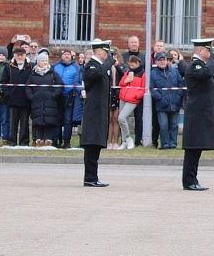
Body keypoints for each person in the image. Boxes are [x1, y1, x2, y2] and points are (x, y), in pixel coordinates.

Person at [182, 38, 214, 190]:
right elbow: (207, 73)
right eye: (209, 51)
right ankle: (189, 181)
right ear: (200, 51)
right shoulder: (195, 65)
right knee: (193, 147)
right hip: (196, 112)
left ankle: (192, 179)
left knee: (196, 148)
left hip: (201, 112)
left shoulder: (201, 65)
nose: (212, 54)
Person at [81, 40, 117, 186]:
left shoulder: (101, 67)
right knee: (92, 144)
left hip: (100, 110)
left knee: (96, 145)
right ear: (99, 51)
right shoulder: (91, 65)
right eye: (106, 52)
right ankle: (90, 177)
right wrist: (109, 62)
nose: (108, 56)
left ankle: (93, 177)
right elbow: (97, 74)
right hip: (93, 111)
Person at [26, 52, 63, 147]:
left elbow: (60, 85)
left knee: (49, 121)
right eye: (42, 60)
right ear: (38, 62)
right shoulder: (33, 75)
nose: (45, 62)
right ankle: (38, 140)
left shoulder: (53, 74)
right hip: (37, 102)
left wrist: (54, 95)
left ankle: (48, 140)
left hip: (50, 102)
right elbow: (27, 87)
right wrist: (32, 97)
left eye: (46, 60)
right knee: (38, 122)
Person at [150, 52, 184, 149]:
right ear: (156, 61)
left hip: (174, 102)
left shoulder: (174, 71)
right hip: (161, 104)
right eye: (160, 60)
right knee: (163, 125)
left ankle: (173, 143)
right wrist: (159, 98)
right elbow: (152, 88)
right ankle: (165, 144)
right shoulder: (153, 73)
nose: (162, 62)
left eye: (164, 60)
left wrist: (178, 96)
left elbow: (181, 85)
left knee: (174, 125)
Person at [2, 46, 34, 146]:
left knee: (25, 123)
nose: (20, 57)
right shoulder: (8, 66)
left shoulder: (31, 66)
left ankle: (24, 142)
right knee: (12, 122)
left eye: (22, 55)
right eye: (17, 55)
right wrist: (8, 93)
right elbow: (3, 82)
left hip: (26, 99)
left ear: (25, 55)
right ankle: (12, 141)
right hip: (12, 99)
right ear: (14, 56)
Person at [53, 48, 82, 148]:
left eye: (68, 54)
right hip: (57, 96)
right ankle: (56, 140)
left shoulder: (76, 67)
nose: (66, 56)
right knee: (57, 119)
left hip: (69, 96)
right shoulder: (55, 66)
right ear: (61, 56)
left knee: (67, 120)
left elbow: (77, 80)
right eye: (64, 54)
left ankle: (67, 141)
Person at [116, 55, 145, 149]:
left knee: (121, 118)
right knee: (124, 120)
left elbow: (143, 87)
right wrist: (126, 80)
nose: (130, 67)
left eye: (132, 65)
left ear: (137, 63)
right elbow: (121, 83)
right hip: (123, 97)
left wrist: (137, 96)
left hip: (133, 99)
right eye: (129, 65)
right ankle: (124, 141)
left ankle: (128, 138)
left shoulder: (143, 73)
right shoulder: (128, 71)